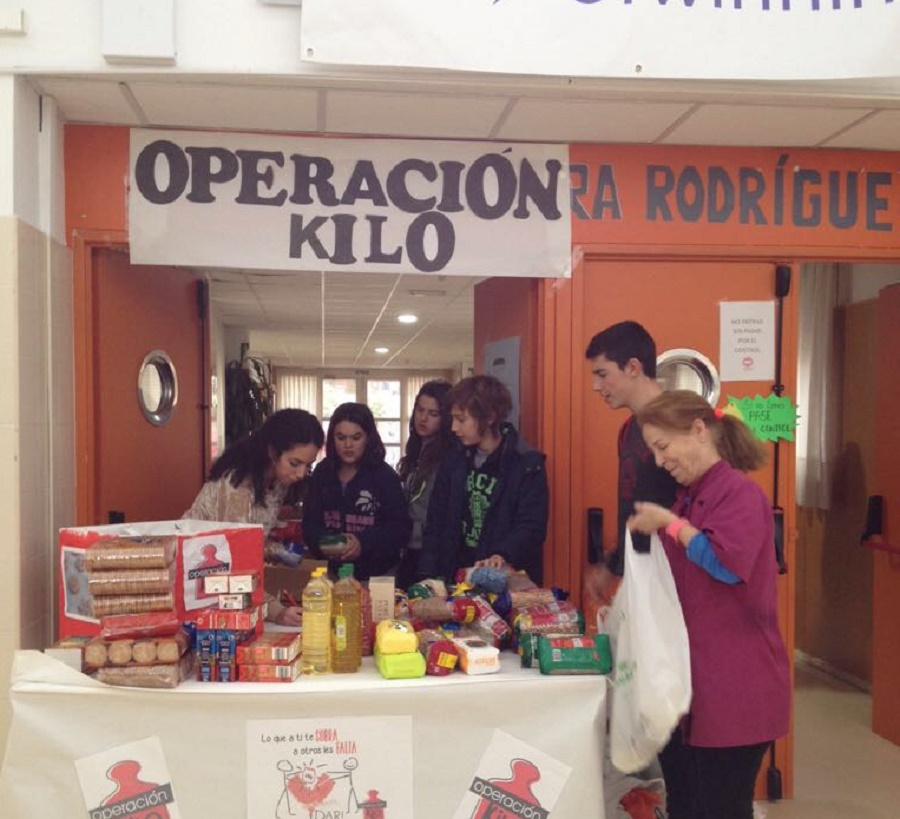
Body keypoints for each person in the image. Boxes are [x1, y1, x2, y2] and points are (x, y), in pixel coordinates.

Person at [626, 390, 791, 819]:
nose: (661, 462)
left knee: (721, 807)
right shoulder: (690, 496)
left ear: (699, 431)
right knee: (686, 802)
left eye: (663, 448)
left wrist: (671, 524)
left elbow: (724, 563)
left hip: (735, 687)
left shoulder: (739, 495)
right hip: (693, 684)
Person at [183, 408, 325, 626]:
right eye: (295, 463)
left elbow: (252, 541)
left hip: (223, 583)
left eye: (308, 465)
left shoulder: (276, 482)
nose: (301, 474)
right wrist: (276, 611)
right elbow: (235, 566)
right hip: (196, 580)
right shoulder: (237, 487)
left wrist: (279, 551)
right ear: (272, 452)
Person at [418, 374, 548, 585]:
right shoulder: (454, 459)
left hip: (504, 583)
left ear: (489, 417)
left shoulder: (526, 463)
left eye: (461, 420)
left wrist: (502, 554)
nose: (453, 428)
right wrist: (428, 574)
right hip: (456, 577)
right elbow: (436, 520)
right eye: (453, 419)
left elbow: (531, 527)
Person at [583, 320, 680, 598]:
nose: (595, 386)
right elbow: (635, 505)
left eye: (603, 374)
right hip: (638, 575)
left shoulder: (680, 425)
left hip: (675, 577)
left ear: (633, 368)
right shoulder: (628, 429)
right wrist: (613, 564)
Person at [302, 402, 411, 582]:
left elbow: (401, 529)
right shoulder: (322, 472)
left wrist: (363, 543)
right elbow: (309, 524)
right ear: (332, 439)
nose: (348, 445)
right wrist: (326, 543)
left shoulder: (384, 476)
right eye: (341, 437)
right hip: (332, 575)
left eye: (356, 437)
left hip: (379, 576)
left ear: (368, 438)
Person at [396, 379, 456, 590]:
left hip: (431, 548)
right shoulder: (416, 449)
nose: (423, 418)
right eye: (420, 410)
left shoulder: (448, 457)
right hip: (407, 545)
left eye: (433, 414)